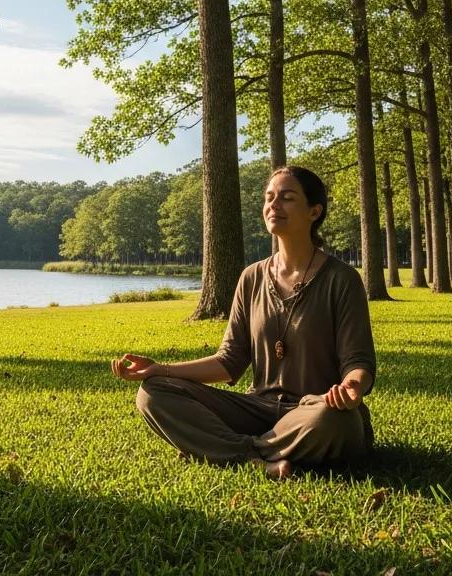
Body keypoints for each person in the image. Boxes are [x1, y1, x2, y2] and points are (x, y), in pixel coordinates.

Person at [111, 165, 376, 480]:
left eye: (287, 198)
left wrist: (351, 388)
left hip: (314, 411)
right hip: (258, 410)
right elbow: (229, 361)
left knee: (336, 421)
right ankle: (253, 455)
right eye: (269, 198)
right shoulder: (252, 277)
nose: (273, 206)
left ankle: (218, 448)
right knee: (152, 393)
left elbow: (358, 361)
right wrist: (161, 370)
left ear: (314, 211)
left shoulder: (341, 279)